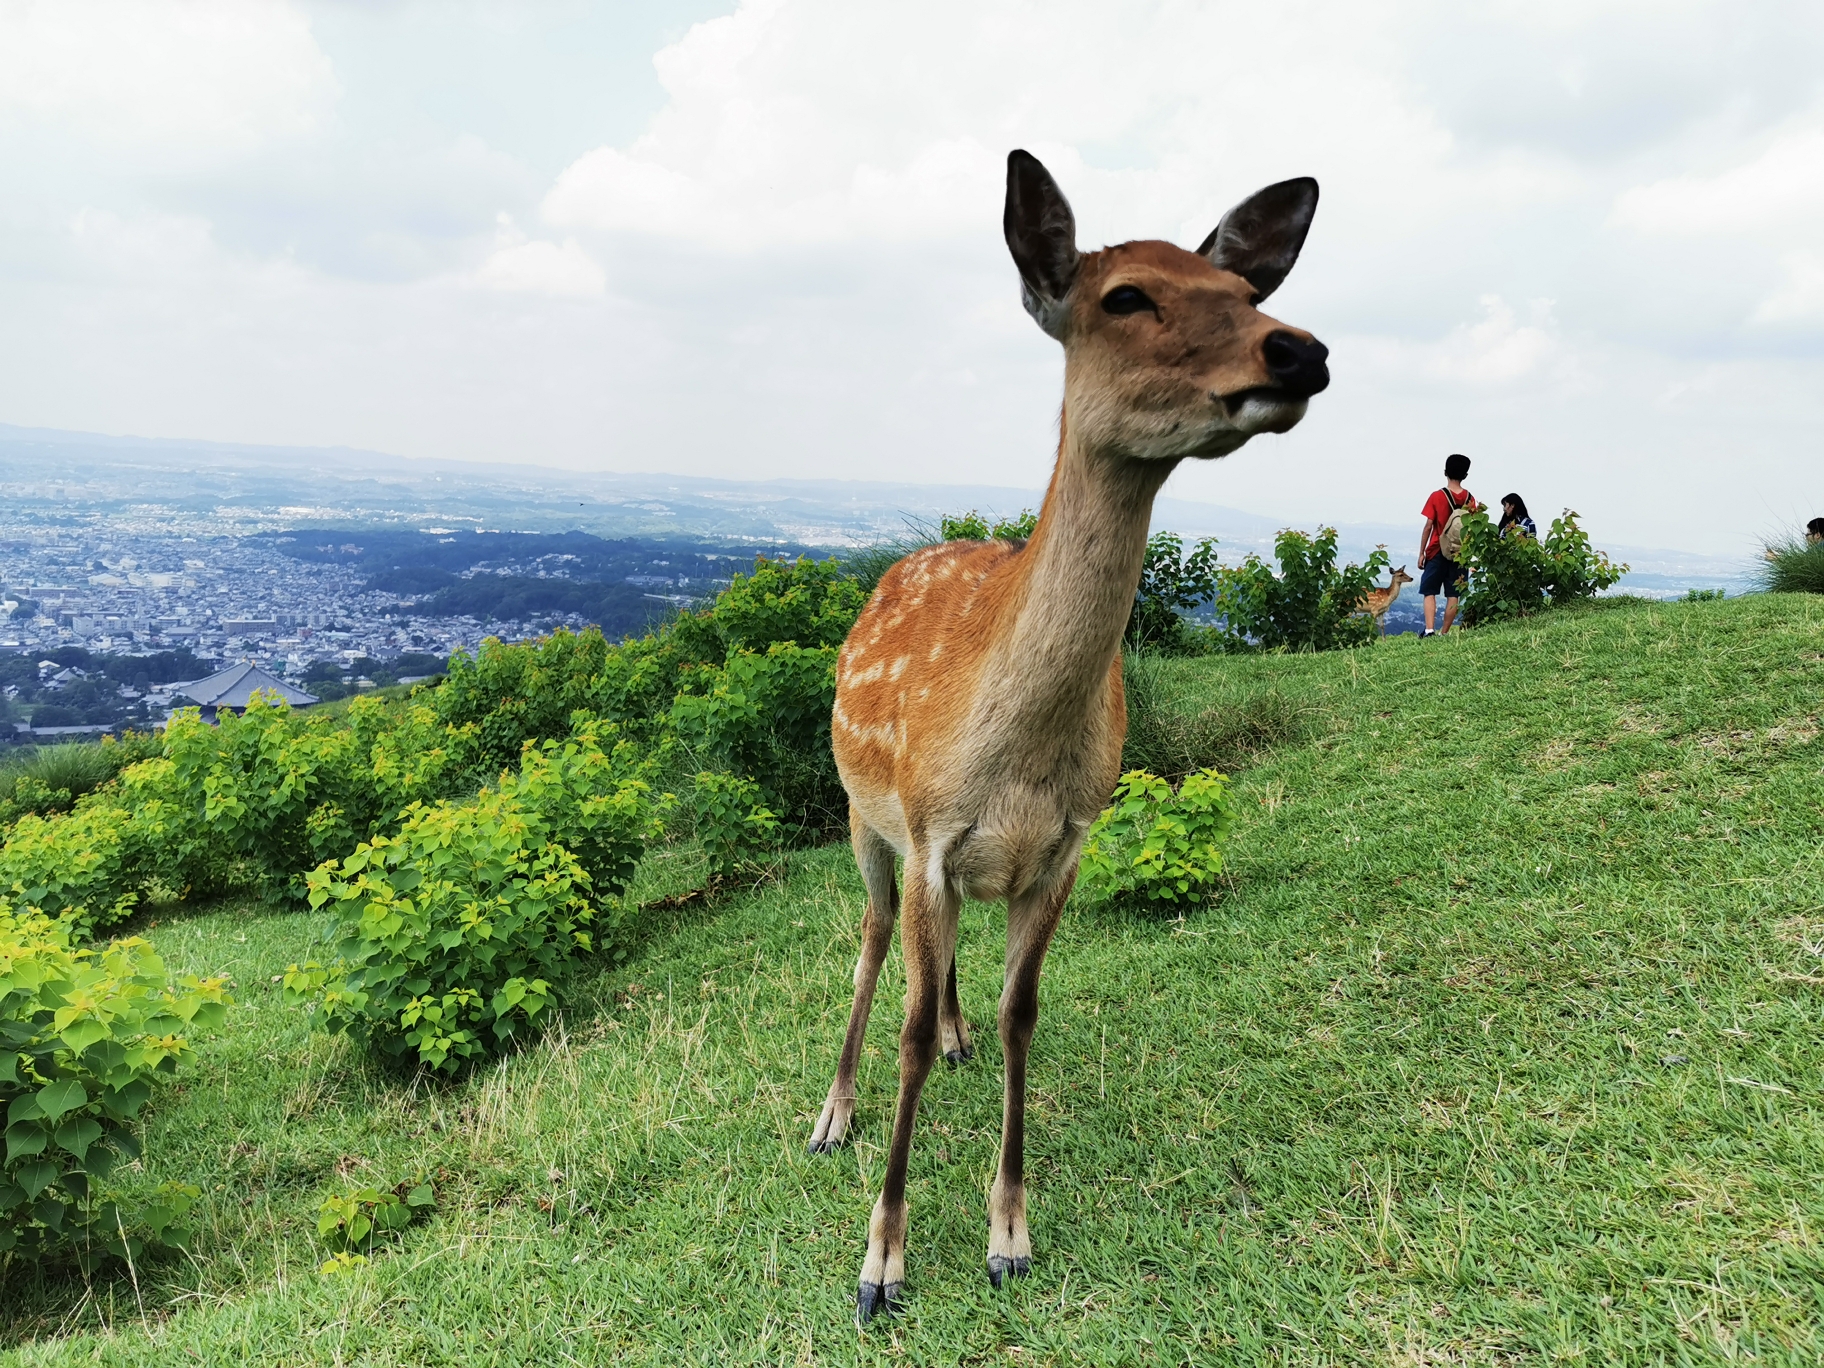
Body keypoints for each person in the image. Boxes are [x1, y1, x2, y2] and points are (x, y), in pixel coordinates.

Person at [1418, 453, 1478, 636]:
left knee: (1430, 591)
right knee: (1454, 594)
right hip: (1460, 553)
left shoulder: (1437, 496)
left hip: (1437, 549)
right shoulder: (1470, 499)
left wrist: (1421, 552)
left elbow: (1429, 526)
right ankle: (1444, 633)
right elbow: (1472, 528)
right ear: (1465, 475)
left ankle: (1429, 630)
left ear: (1445, 472)